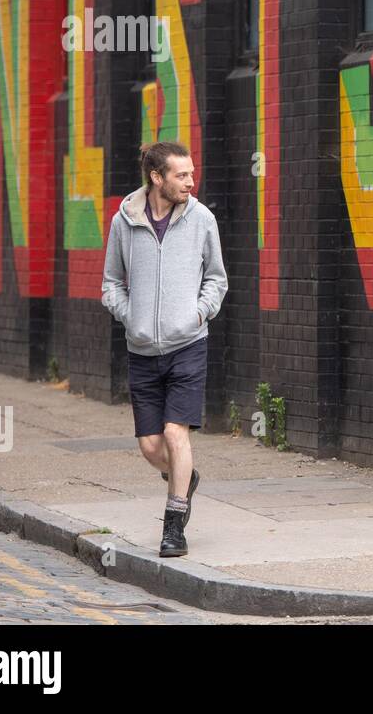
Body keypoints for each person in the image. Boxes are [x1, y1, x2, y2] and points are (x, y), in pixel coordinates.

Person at [102, 141, 228, 556]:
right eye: (181, 175)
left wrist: (198, 314)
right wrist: (132, 318)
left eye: (192, 173)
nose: (191, 181)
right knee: (151, 447)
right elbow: (111, 283)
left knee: (176, 434)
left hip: (188, 345)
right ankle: (185, 478)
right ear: (157, 178)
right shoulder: (125, 220)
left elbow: (216, 278)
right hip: (141, 351)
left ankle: (174, 528)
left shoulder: (201, 219)